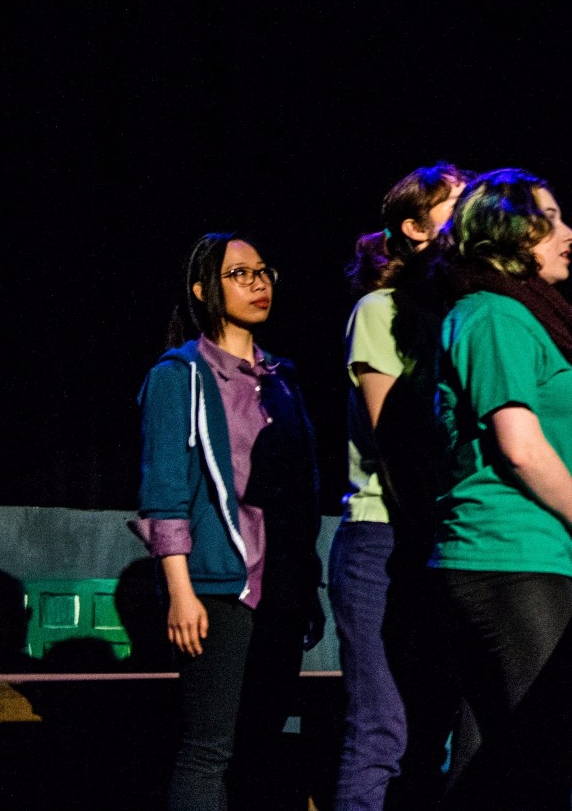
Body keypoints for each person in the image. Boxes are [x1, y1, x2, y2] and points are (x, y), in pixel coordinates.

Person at [429, 170, 572, 810]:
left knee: (488, 754)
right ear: (512, 233)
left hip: (526, 553)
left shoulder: (515, 315)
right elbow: (519, 444)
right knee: (552, 748)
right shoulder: (495, 315)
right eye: (551, 220)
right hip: (507, 555)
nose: (569, 234)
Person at [135, 233, 324, 811]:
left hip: (281, 589)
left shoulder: (281, 378)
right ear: (202, 290)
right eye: (239, 274)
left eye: (263, 271)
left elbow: (302, 493)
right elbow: (164, 494)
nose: (258, 283)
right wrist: (180, 592)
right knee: (208, 748)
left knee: (261, 745)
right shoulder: (180, 374)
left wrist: (306, 586)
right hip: (217, 586)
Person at [331, 162, 467, 811]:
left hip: (438, 540)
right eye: (456, 204)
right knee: (382, 729)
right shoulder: (379, 310)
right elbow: (397, 445)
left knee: (434, 730)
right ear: (415, 227)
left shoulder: (459, 314)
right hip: (382, 539)